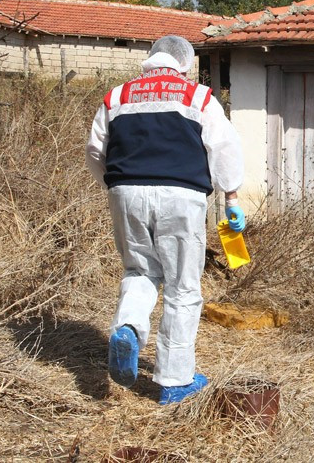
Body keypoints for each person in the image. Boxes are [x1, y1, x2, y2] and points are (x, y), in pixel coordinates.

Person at [85, 35, 245, 404]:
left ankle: (127, 328)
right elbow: (223, 148)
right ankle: (175, 380)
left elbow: (96, 149)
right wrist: (231, 196)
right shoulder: (197, 96)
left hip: (125, 192)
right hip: (182, 197)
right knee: (182, 287)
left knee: (140, 272)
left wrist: (114, 185)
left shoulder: (117, 97)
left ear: (151, 59)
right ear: (184, 64)